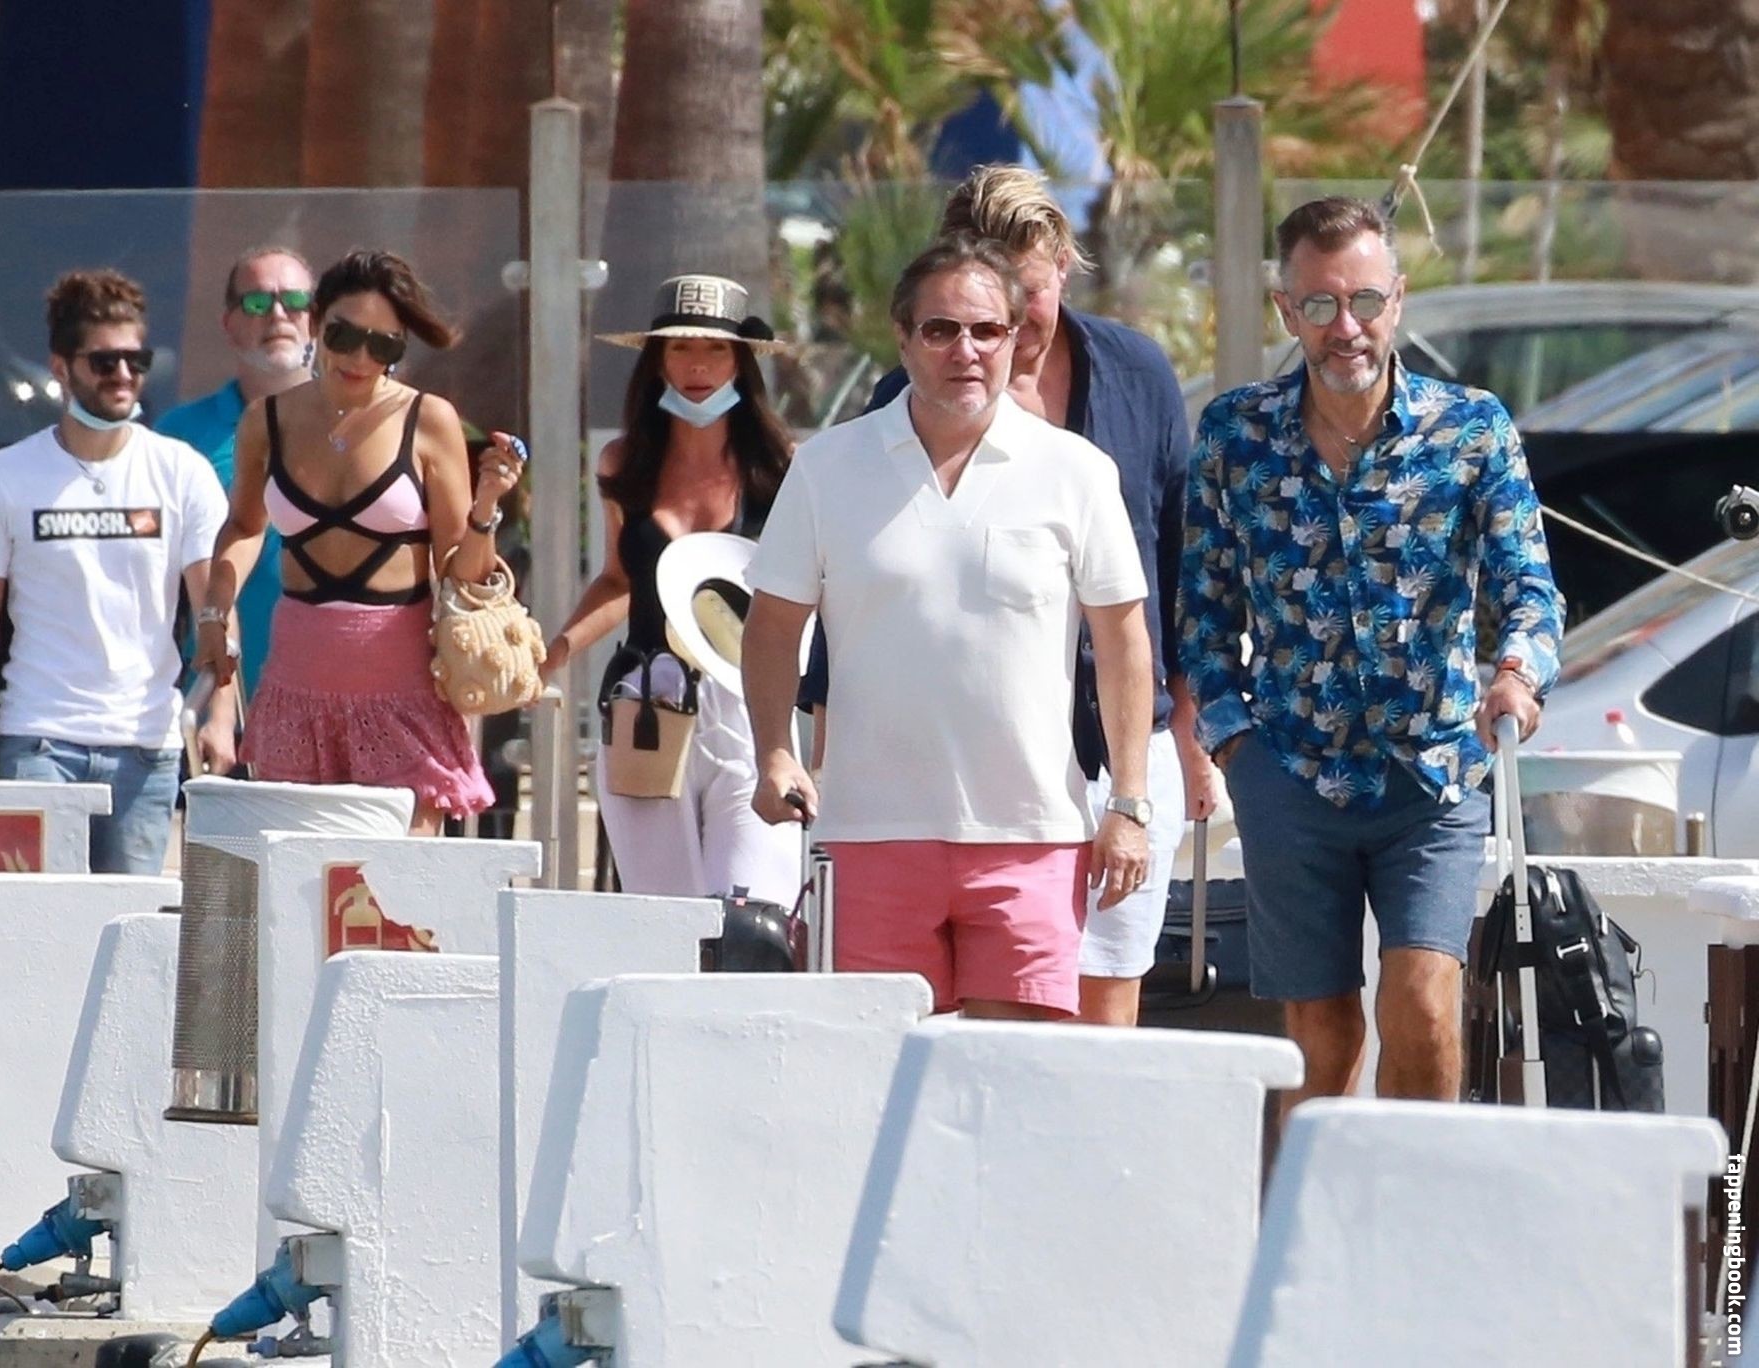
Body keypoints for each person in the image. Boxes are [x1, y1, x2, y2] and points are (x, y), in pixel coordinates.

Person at [1177, 196, 1564, 1117]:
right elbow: (1203, 612)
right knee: (1321, 1035)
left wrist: (1516, 674)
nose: (1344, 327)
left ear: (1399, 300)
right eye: (1319, 304)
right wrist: (1235, 744)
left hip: (1433, 775)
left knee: (1424, 1004)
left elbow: (1529, 586)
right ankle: (1315, 1205)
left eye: (1363, 301)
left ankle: (1414, 1194)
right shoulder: (1235, 434)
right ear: (1286, 311)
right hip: (1290, 774)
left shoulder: (1471, 428)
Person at [802, 165, 1206, 1026]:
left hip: (1120, 748)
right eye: (993, 298)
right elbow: (864, 579)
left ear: (1064, 266)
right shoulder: (908, 393)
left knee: (1104, 1005)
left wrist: (1188, 742)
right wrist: (826, 746)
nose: (1013, 322)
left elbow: (1176, 568)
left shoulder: (1136, 374)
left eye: (1031, 292)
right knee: (965, 1017)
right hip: (972, 769)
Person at [193, 248, 523, 834]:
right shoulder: (267, 421)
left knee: (401, 878)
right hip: (298, 682)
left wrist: (485, 507)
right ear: (317, 321)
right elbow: (244, 526)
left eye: (384, 345)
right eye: (344, 336)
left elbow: (459, 570)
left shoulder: (429, 419)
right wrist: (215, 612)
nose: (361, 358)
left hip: (401, 686)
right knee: (296, 871)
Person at [0, 268, 237, 873]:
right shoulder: (2, 477)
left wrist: (220, 715)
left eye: (137, 360)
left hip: (146, 747)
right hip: (38, 740)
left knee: (128, 925)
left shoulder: (181, 471)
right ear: (62, 367)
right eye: (105, 362)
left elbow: (214, 606)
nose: (124, 375)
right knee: (42, 922)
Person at [543, 274, 802, 903]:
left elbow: (810, 593)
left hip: (752, 706)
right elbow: (619, 580)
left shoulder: (783, 469)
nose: (697, 365)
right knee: (662, 916)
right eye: (680, 347)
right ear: (656, 360)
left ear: (741, 362)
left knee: (754, 912)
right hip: (648, 703)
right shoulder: (623, 463)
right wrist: (554, 653)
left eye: (716, 348)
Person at [155, 245, 316, 700]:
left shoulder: (363, 429)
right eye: (258, 303)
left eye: (295, 301)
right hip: (217, 707)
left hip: (334, 703)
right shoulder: (178, 437)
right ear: (229, 324)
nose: (278, 315)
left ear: (317, 319)